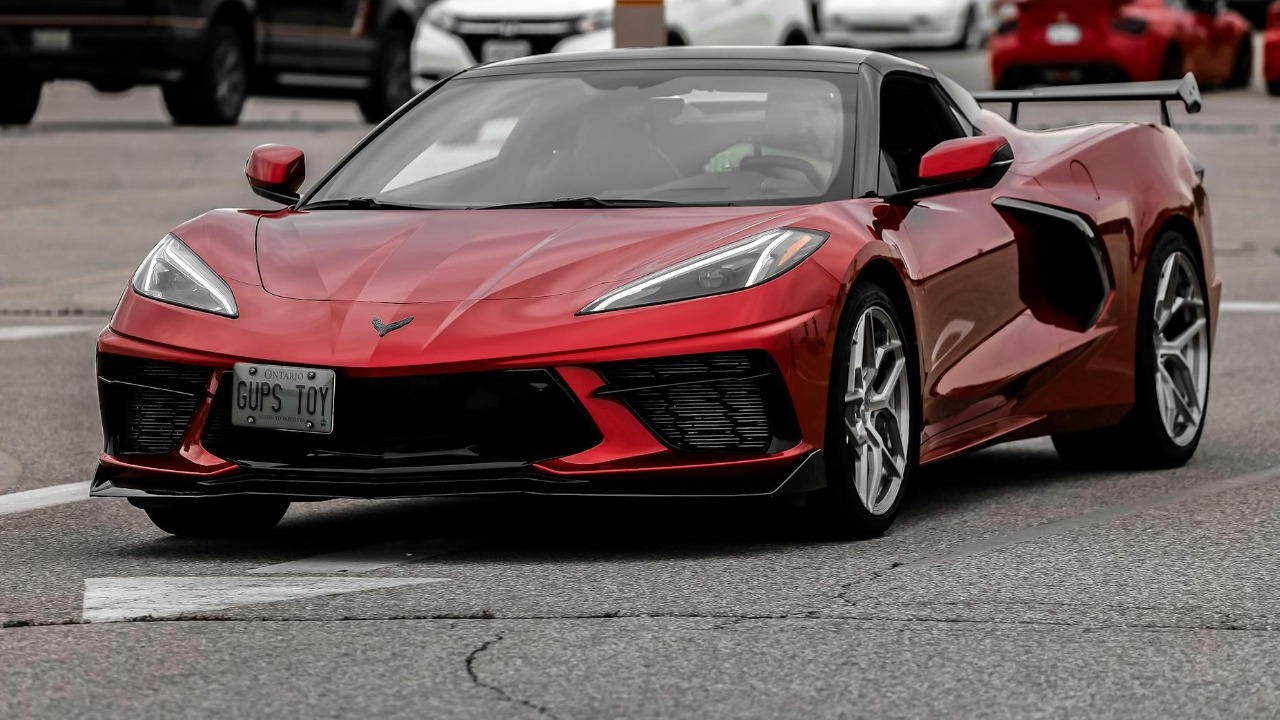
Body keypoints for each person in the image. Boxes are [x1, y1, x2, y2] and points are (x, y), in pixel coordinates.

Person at [706, 86, 844, 186]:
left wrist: (759, 152)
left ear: (834, 120)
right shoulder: (741, 159)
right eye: (788, 117)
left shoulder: (858, 151)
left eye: (812, 115)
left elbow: (836, 180)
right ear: (768, 125)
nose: (801, 129)